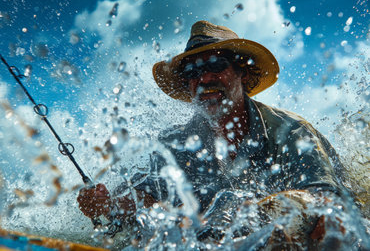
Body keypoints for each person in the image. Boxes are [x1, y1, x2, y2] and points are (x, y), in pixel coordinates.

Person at [77, 21, 349, 249]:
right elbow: (147, 199)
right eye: (192, 72)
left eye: (215, 65)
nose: (204, 79)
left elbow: (330, 207)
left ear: (241, 72)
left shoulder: (291, 131)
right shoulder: (173, 145)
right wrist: (108, 205)